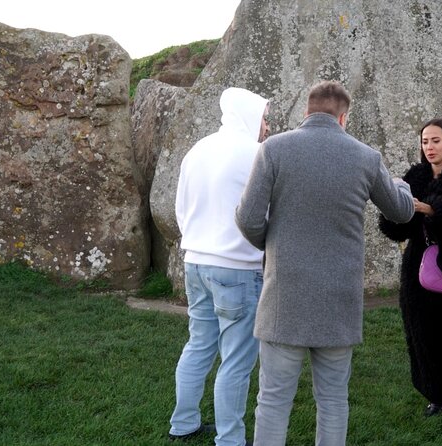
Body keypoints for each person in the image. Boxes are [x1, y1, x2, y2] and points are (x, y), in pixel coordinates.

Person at [235, 80, 414, 446]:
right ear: (343, 117)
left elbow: (248, 218)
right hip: (339, 300)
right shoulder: (366, 157)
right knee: (333, 400)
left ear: (307, 111)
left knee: (272, 401)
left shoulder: (274, 148)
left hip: (285, 297)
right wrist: (403, 185)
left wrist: (273, 249)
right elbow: (400, 211)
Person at [170, 87, 269, 446]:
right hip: (238, 266)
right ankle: (230, 439)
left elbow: (181, 207)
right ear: (249, 114)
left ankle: (183, 423)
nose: (267, 126)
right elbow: (264, 213)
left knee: (198, 344)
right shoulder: (255, 153)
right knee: (237, 360)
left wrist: (198, 240)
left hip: (195, 261)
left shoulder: (198, 149)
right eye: (264, 117)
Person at [378, 118, 442, 417]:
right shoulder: (416, 177)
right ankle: (437, 393)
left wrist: (434, 210)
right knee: (423, 333)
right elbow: (397, 229)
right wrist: (396, 209)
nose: (429, 147)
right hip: (418, 268)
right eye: (424, 142)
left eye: (435, 140)